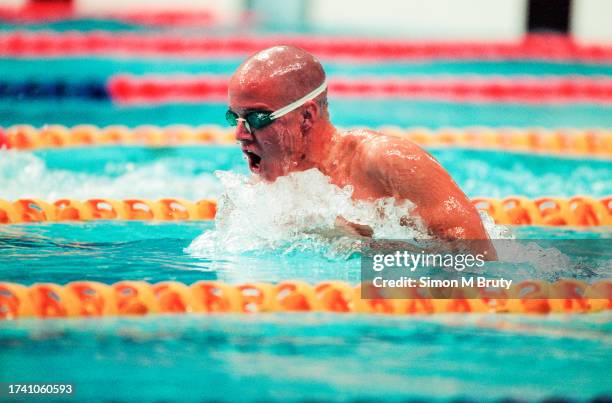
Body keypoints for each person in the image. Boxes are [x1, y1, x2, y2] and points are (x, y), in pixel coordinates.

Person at [226, 45, 496, 257]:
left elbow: (479, 258)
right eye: (233, 118)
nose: (240, 134)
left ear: (306, 117)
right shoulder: (270, 191)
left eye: (257, 119)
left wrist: (364, 247)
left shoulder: (388, 161)